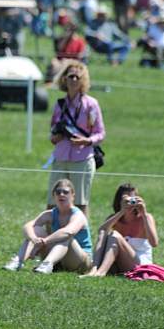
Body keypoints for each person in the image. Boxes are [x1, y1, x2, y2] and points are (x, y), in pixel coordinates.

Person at [46, 61, 105, 219]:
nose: (73, 80)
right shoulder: (60, 104)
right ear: (64, 79)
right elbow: (52, 132)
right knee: (52, 202)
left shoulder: (91, 104)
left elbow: (100, 134)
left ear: (83, 80)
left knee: (80, 203)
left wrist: (85, 141)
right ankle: (50, 238)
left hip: (82, 158)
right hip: (61, 157)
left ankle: (81, 239)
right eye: (69, 76)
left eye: (76, 77)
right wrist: (55, 137)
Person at [3, 179, 93, 274]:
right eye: (58, 192)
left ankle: (46, 264)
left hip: (80, 261)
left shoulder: (78, 215)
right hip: (59, 259)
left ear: (72, 195)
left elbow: (68, 232)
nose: (61, 194)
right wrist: (34, 239)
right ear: (54, 196)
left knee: (66, 237)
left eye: (65, 192)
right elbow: (28, 226)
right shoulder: (50, 214)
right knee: (35, 230)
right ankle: (17, 262)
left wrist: (45, 241)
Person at [82, 183, 158, 277]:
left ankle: (100, 273)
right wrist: (122, 212)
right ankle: (94, 269)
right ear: (119, 200)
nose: (130, 201)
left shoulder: (146, 217)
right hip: (120, 263)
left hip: (140, 264)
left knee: (114, 235)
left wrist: (143, 212)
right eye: (126, 199)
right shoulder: (114, 218)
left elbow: (154, 243)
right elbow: (101, 231)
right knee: (106, 233)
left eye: (133, 198)